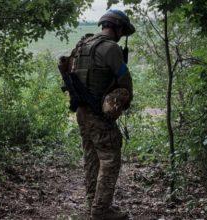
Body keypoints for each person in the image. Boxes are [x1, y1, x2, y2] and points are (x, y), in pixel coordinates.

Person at [67, 9, 135, 220]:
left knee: (91, 158)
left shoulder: (82, 45)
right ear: (118, 28)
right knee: (110, 159)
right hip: (98, 113)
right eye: (123, 31)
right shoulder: (111, 48)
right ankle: (101, 210)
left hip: (81, 112)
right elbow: (124, 81)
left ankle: (92, 204)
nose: (122, 36)